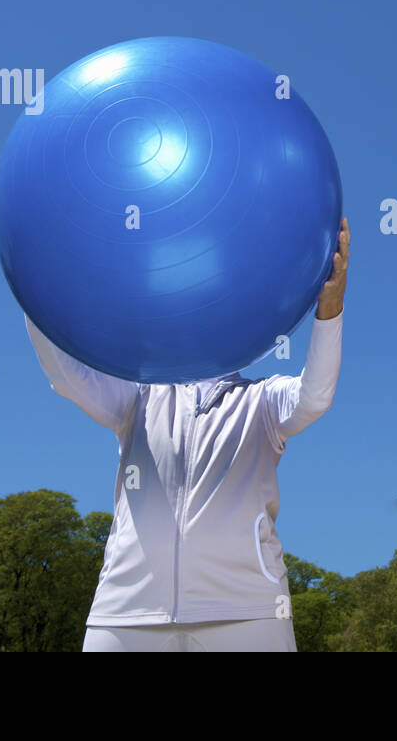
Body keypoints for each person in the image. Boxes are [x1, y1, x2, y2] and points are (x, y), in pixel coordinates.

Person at [25, 219, 349, 652]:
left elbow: (315, 396)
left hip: (247, 611)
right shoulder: (138, 397)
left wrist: (330, 306)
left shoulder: (262, 402)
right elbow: (68, 378)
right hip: (127, 615)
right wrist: (33, 290)